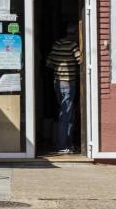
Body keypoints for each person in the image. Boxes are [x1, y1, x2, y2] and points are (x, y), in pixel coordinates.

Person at [46, 22, 82, 154]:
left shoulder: (56, 44)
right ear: (73, 34)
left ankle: (68, 143)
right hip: (68, 82)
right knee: (66, 114)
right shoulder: (73, 46)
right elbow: (81, 61)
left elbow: (49, 62)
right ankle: (62, 146)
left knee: (67, 112)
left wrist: (58, 69)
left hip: (57, 82)